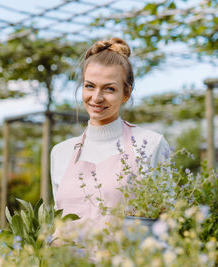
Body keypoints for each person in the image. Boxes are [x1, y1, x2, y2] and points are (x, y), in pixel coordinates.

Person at [50, 37, 170, 229]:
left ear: (126, 93)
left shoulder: (151, 144)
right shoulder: (60, 152)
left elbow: (168, 222)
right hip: (68, 258)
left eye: (109, 89)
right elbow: (58, 223)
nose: (96, 98)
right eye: (90, 86)